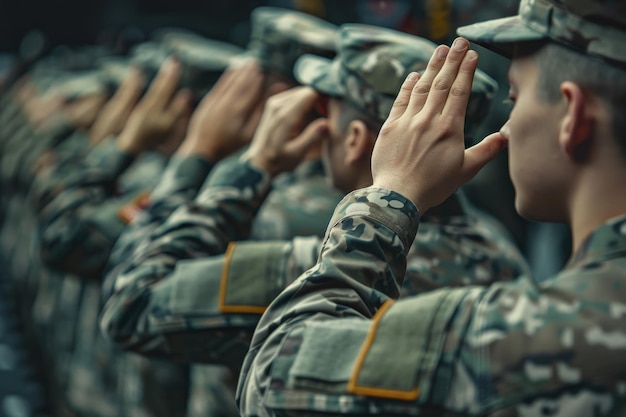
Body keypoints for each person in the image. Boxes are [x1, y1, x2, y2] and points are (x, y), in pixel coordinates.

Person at [101, 23, 527, 408]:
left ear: (356, 140)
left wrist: (239, 163)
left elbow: (131, 305)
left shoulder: (321, 261)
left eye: (329, 117)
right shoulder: (500, 254)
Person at [236, 0, 626, 415]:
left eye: (515, 98)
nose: (508, 127)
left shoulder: (509, 337)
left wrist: (391, 193)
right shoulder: (501, 253)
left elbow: (273, 375)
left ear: (572, 115)